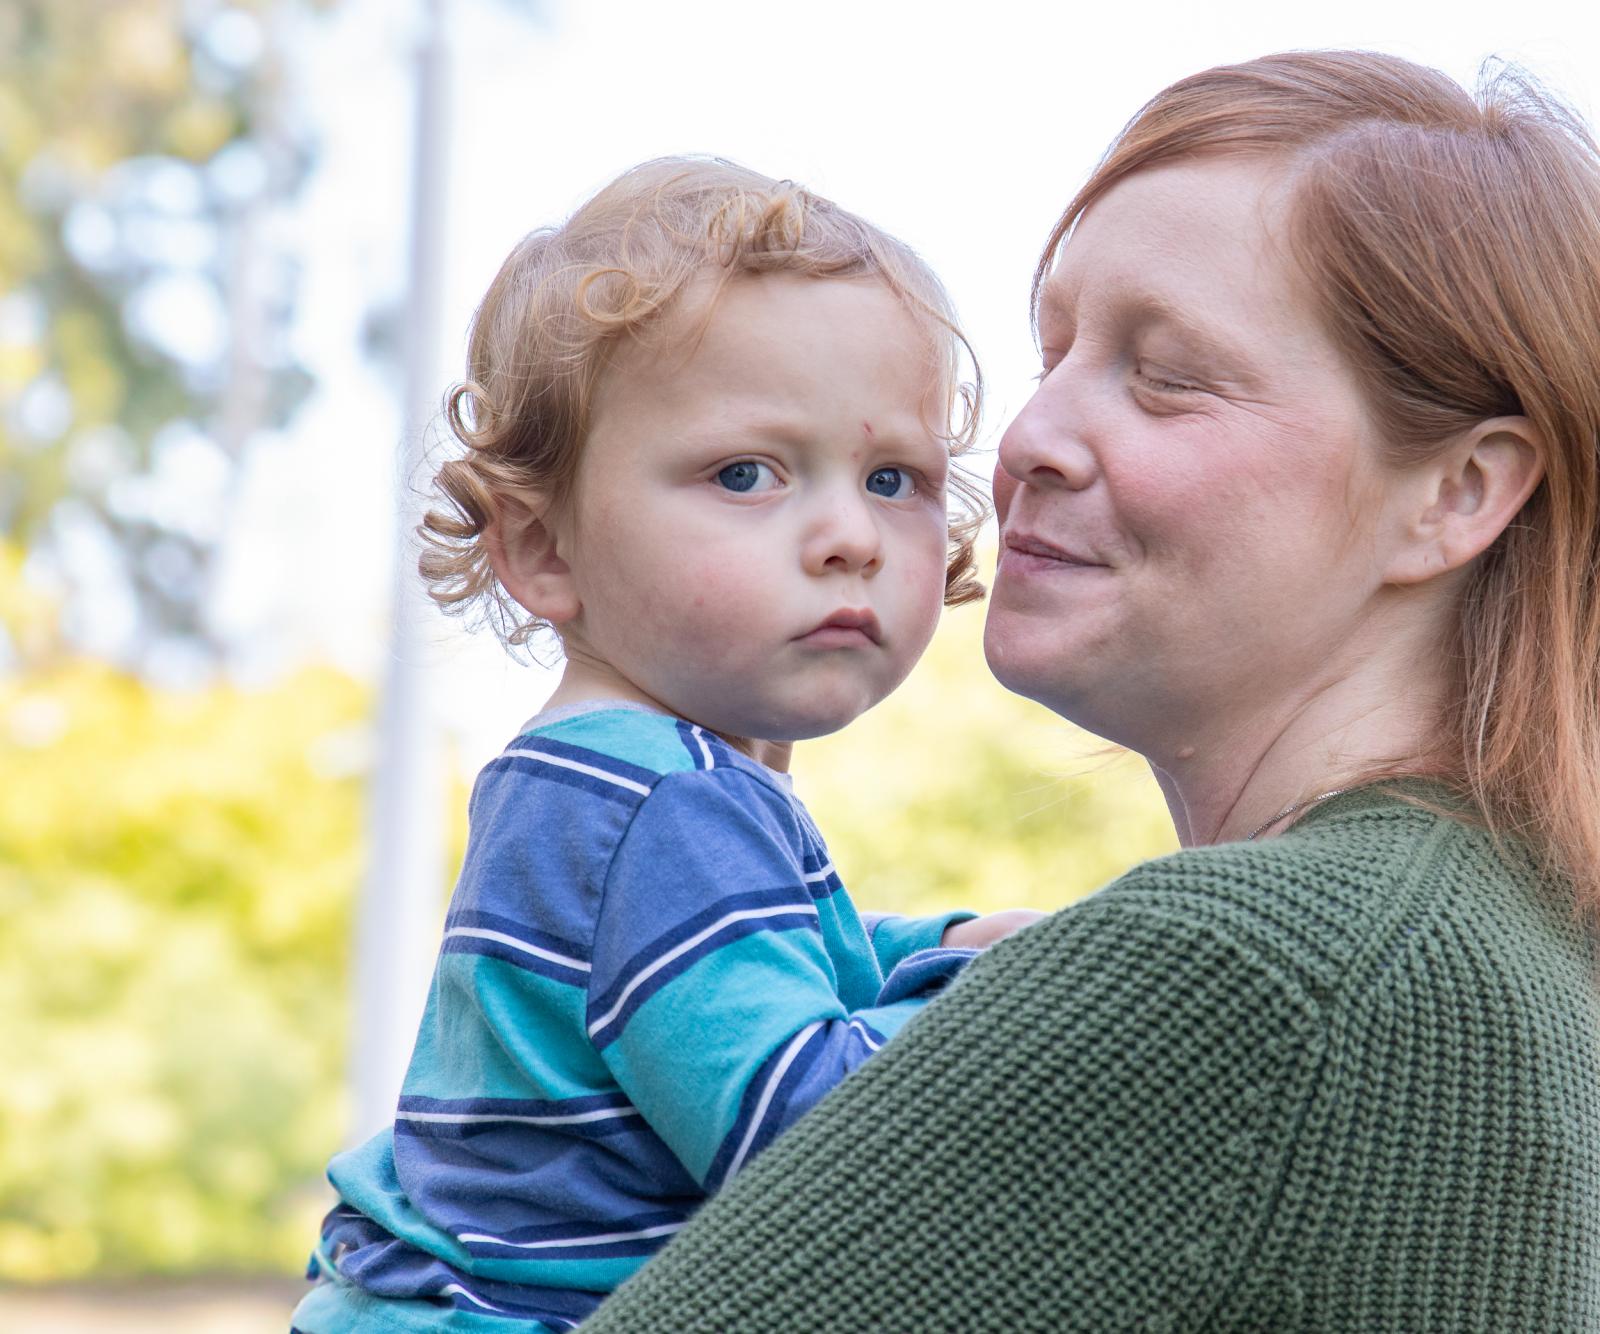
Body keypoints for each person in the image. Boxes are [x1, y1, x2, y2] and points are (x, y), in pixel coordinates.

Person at [579, 51, 1600, 1331]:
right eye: (1053, 351)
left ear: (1456, 494)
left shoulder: (1266, 968)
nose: (1025, 439)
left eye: (1164, 372)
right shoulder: (1521, 942)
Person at [290, 158, 1042, 1333]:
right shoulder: (660, 805)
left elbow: (762, 964)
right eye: (746, 473)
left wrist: (929, 939)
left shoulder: (608, 778)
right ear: (542, 549)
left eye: (893, 477)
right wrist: (1014, 992)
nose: (849, 533)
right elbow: (808, 1136)